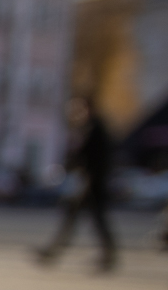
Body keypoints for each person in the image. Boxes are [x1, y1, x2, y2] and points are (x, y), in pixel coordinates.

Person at [36, 97, 117, 271]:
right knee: (83, 220)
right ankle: (107, 256)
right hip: (88, 183)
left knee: (84, 220)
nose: (74, 112)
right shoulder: (90, 127)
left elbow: (86, 155)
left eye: (77, 108)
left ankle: (54, 251)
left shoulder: (94, 128)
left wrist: (70, 166)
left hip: (91, 184)